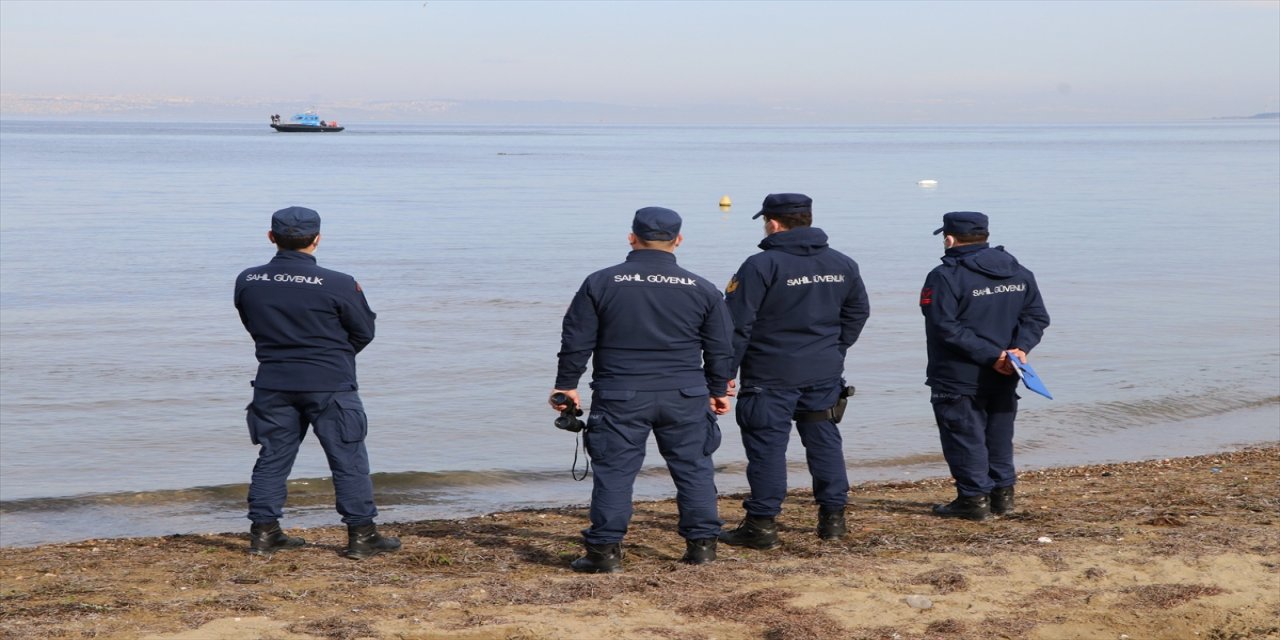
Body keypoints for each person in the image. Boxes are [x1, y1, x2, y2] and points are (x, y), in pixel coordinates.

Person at [551, 206, 735, 573]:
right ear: (678, 240)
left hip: (621, 394)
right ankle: (701, 549)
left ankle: (604, 553)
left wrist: (566, 385)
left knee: (615, 473)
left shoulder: (601, 282)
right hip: (684, 394)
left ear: (631, 236)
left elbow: (576, 339)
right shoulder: (702, 288)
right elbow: (720, 346)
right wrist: (718, 388)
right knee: (695, 468)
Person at [234, 206, 401, 559]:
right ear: (317, 239)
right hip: (330, 383)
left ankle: (264, 533)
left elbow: (251, 323)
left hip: (273, 381)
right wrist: (334, 355)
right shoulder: (338, 282)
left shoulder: (248, 279)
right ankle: (362, 535)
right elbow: (364, 332)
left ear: (271, 237)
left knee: (273, 456)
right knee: (348, 458)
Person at [720, 193, 870, 549]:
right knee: (824, 441)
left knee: (767, 446)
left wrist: (724, 371)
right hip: (822, 370)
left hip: (770, 374)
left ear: (773, 223)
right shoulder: (842, 263)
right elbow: (858, 312)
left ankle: (762, 524)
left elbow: (737, 324)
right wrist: (835, 349)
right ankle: (833, 520)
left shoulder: (760, 265)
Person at [920, 211, 1050, 521]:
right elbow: (1036, 318)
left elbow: (945, 328)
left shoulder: (945, 276)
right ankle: (1002, 497)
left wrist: (998, 355)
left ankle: (973, 499)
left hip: (961, 373)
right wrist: (1018, 350)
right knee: (998, 434)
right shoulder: (1018, 272)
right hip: (1008, 370)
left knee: (963, 434)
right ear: (985, 236)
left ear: (949, 239)